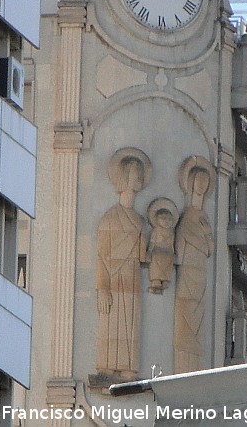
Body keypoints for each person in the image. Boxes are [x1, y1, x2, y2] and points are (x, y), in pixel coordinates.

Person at [95, 149, 151, 381]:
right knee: (111, 324)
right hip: (113, 278)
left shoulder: (139, 221)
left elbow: (142, 257)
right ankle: (107, 368)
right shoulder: (109, 218)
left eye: (140, 174)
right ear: (125, 177)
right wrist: (103, 288)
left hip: (132, 278)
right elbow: (101, 255)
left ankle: (128, 368)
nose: (138, 179)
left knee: (130, 325)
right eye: (134, 174)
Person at [174, 157, 215, 373]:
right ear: (189, 184)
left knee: (197, 317)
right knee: (187, 313)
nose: (200, 185)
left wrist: (207, 234)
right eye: (197, 181)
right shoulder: (186, 217)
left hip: (201, 274)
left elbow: (211, 249)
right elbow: (179, 249)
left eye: (204, 182)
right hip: (188, 272)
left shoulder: (204, 218)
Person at [146, 198, 179, 294]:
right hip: (157, 250)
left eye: (169, 219)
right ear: (157, 219)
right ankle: (155, 281)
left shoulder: (171, 232)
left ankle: (165, 281)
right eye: (163, 218)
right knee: (156, 259)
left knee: (169, 259)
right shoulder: (156, 231)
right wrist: (149, 251)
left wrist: (173, 253)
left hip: (168, 251)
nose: (166, 221)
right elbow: (152, 243)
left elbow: (171, 244)